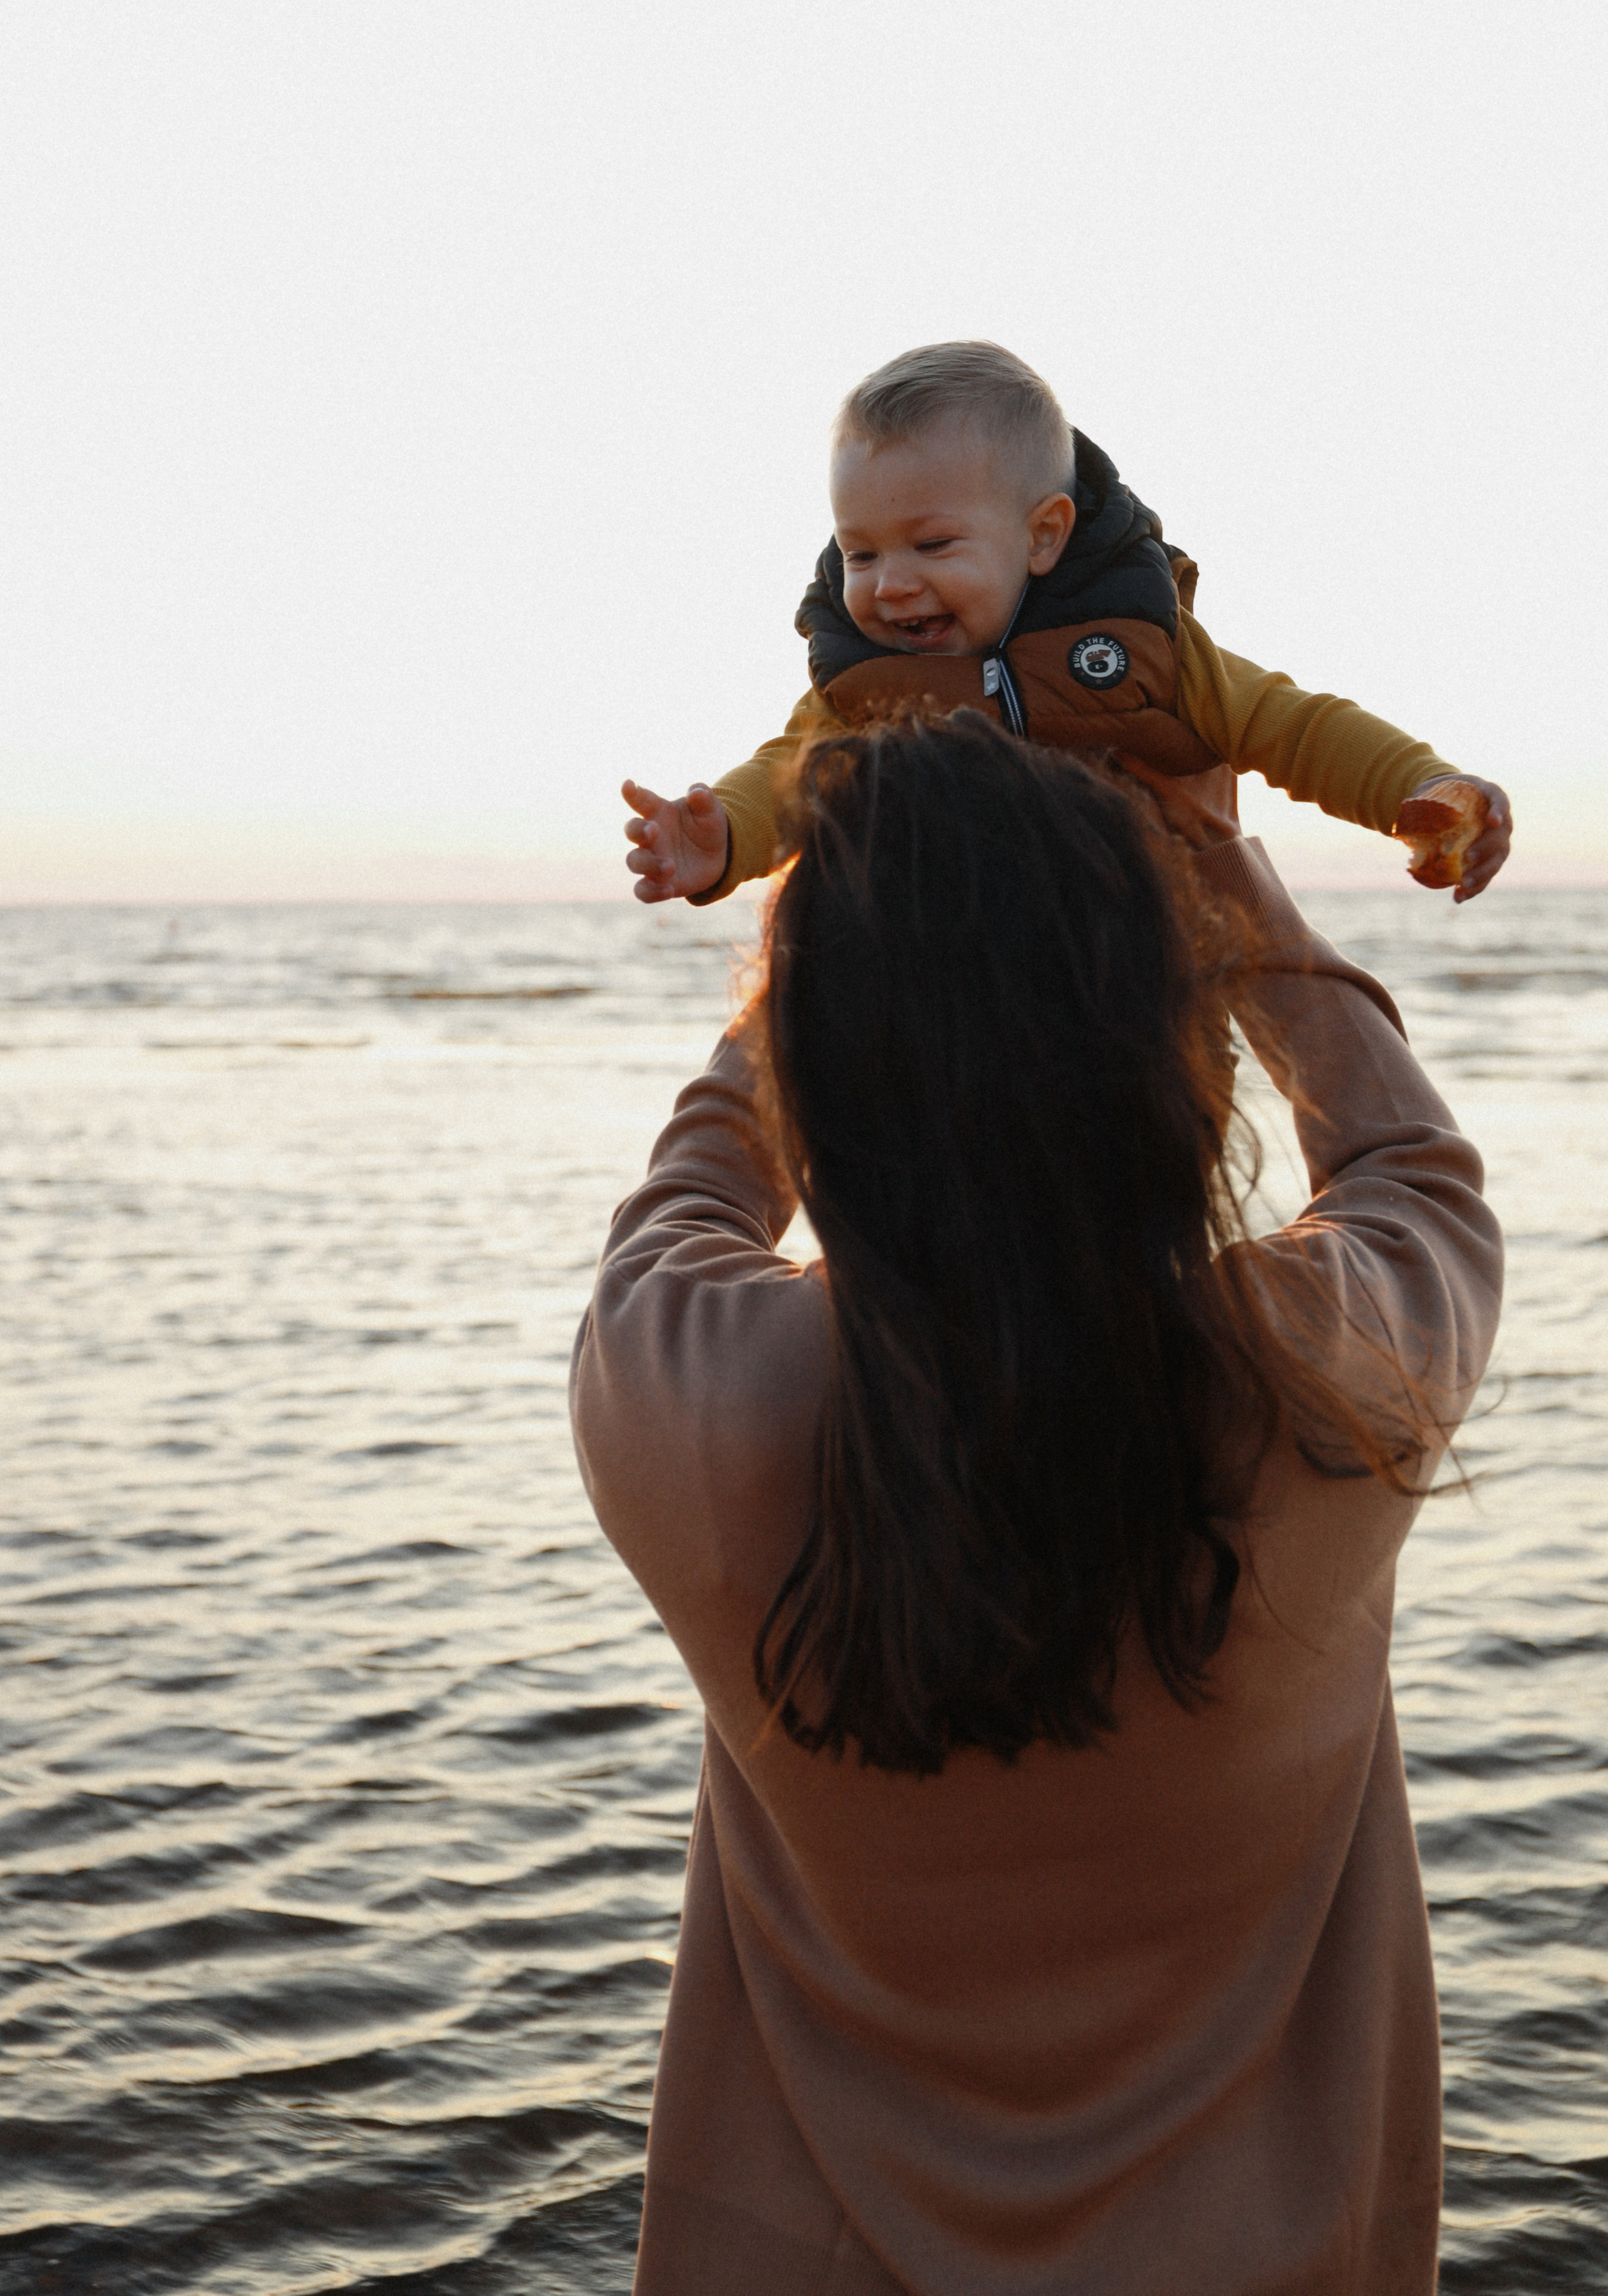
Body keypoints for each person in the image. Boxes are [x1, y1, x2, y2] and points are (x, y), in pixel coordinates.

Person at [571, 716, 1503, 2294]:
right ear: (1175, 1052)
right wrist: (1221, 876)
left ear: (819, 1053)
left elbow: (702, 1180)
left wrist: (810, 958)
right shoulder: (1326, 1383)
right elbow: (1410, 1166)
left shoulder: (684, 1396)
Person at [619, 340, 1512, 909]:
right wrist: (726, 838)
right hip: (956, 984)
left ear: (1043, 534)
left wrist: (1424, 787)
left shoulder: (1138, 651)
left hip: (1143, 982)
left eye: (931, 545)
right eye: (858, 555)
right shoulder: (868, 685)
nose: (891, 587)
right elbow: (793, 773)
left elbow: (1294, 725)